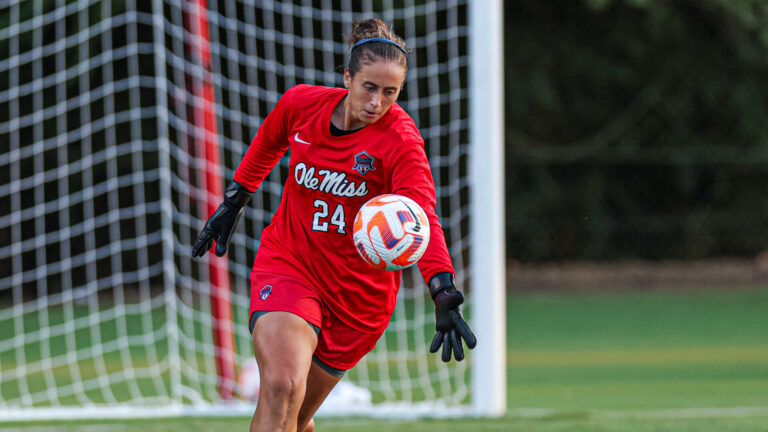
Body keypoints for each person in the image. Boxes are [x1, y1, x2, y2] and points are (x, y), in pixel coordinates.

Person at [192, 18, 476, 432]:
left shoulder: (400, 140)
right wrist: (235, 200)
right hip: (292, 264)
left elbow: (422, 216)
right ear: (347, 77)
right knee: (282, 385)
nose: (377, 102)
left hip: (360, 299)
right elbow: (270, 140)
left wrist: (442, 289)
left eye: (390, 92)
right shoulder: (301, 104)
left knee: (297, 419)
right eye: (369, 87)